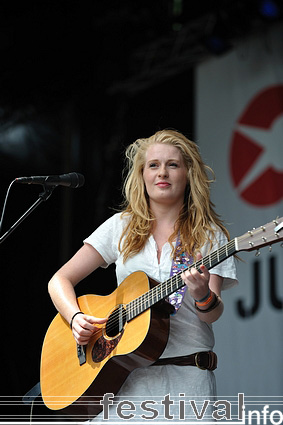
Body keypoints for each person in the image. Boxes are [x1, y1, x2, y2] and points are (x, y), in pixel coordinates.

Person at [48, 129, 237, 422]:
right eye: (153, 165)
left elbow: (212, 314)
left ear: (188, 174)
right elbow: (59, 280)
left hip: (186, 384)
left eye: (173, 164)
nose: (162, 172)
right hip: (123, 382)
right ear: (142, 175)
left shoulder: (209, 236)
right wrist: (75, 318)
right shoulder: (120, 227)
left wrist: (201, 293)